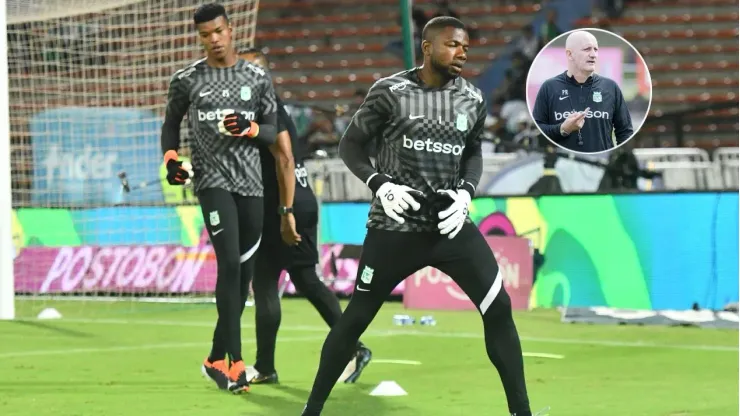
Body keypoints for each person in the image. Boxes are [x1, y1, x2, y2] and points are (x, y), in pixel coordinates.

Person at [301, 16, 535, 416]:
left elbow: (473, 152)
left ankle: (521, 413)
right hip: (395, 228)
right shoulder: (390, 92)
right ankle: (312, 410)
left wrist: (466, 192)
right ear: (427, 48)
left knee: (498, 308)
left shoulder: (472, 99)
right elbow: (351, 146)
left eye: (465, 46)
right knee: (356, 318)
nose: (462, 52)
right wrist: (380, 184)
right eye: (452, 45)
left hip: (449, 226)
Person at [160, 3, 297, 394]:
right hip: (211, 183)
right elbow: (170, 124)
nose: (213, 40)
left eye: (218, 32)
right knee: (230, 268)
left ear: (230, 30)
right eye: (205, 35)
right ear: (199, 37)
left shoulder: (256, 77)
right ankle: (235, 363)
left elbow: (274, 133)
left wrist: (251, 127)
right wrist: (172, 160)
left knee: (244, 275)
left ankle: (213, 358)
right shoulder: (187, 79)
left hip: (252, 186)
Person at [237, 48, 372, 386]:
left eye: (254, 71)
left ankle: (353, 348)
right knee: (292, 280)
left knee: (277, 282)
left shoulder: (265, 112)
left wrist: (285, 212)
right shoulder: (264, 111)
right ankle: (268, 366)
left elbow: (283, 161)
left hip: (286, 206)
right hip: (293, 202)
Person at [532, 30, 634, 153]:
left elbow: (625, 132)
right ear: (570, 54)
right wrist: (563, 129)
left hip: (601, 167)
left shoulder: (611, 87)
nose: (593, 55)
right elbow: (538, 132)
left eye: (596, 50)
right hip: (563, 167)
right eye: (587, 49)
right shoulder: (549, 88)